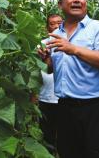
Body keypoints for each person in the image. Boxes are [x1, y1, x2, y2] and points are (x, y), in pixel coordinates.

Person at [38, 0, 99, 158]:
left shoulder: (98, 28)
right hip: (65, 109)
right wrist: (46, 60)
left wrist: (74, 49)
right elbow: (54, 69)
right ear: (60, 4)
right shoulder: (56, 35)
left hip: (97, 109)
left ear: (86, 3)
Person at [38, 14, 63, 152]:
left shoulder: (69, 43)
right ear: (48, 27)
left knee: (65, 134)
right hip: (45, 97)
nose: (56, 26)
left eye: (59, 22)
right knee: (47, 135)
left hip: (64, 98)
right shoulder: (42, 44)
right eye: (52, 24)